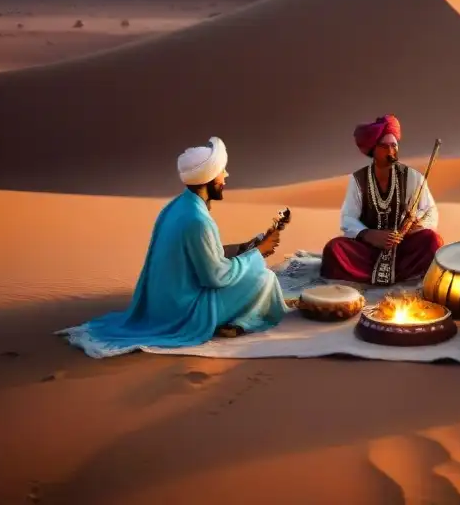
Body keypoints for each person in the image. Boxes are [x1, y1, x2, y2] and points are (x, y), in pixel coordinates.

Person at [60, 136, 291, 357]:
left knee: (255, 270)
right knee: (266, 278)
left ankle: (239, 320)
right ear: (209, 177)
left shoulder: (177, 207)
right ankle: (243, 321)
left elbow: (199, 254)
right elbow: (215, 277)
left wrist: (245, 248)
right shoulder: (198, 221)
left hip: (163, 303)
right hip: (186, 311)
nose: (226, 176)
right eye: (222, 171)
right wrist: (257, 254)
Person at [320, 114, 443, 285]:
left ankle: (407, 274)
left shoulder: (414, 178)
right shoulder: (359, 180)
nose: (391, 152)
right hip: (368, 250)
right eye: (384, 147)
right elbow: (348, 218)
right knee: (334, 249)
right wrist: (368, 234)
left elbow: (430, 210)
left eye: (394, 146)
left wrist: (415, 227)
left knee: (433, 241)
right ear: (373, 151)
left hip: (403, 249)